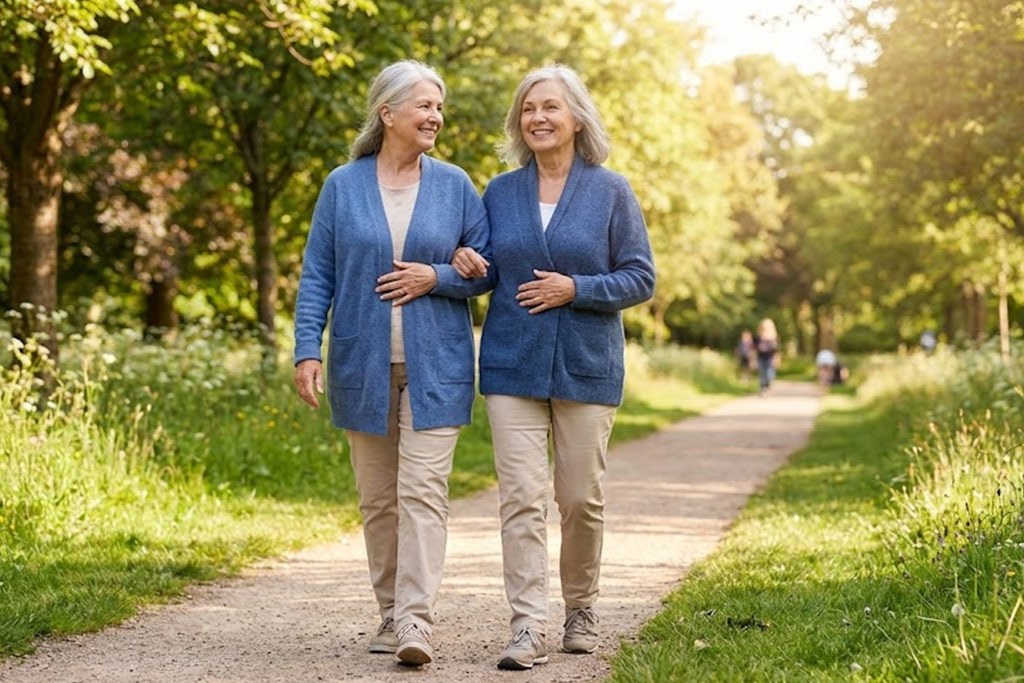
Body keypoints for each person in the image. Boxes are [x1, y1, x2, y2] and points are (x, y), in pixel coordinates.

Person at [451, 64, 655, 671]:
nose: (537, 117)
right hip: (511, 364)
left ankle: (581, 608)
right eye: (528, 108)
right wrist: (467, 263)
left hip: (586, 366)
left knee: (579, 499)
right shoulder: (499, 191)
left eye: (550, 107)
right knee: (520, 498)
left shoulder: (611, 191)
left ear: (576, 119)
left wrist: (578, 288)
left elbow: (640, 277)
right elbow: (489, 272)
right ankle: (527, 625)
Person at [293, 60, 491, 667]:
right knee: (379, 500)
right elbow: (318, 274)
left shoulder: (455, 184)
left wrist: (441, 275)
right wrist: (307, 348)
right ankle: (388, 610)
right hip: (361, 363)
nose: (435, 117)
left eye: (439, 107)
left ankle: (415, 621)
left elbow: (486, 268)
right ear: (388, 113)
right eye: (425, 106)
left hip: (439, 366)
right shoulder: (342, 185)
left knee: (423, 494)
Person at [754, 318, 779, 393]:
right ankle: (763, 388)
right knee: (761, 373)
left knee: (769, 373)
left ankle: (769, 383)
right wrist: (753, 359)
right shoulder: (758, 338)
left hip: (770, 358)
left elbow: (776, 350)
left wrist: (776, 358)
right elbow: (754, 349)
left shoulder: (773, 338)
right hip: (761, 358)